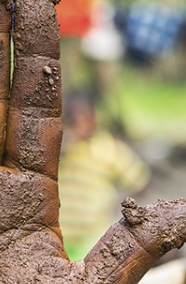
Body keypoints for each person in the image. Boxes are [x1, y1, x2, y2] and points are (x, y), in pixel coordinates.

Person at [57, 91, 150, 259]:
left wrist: (121, 204)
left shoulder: (108, 148)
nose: (79, 123)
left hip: (94, 237)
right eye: (73, 118)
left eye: (83, 117)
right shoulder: (59, 149)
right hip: (61, 237)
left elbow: (142, 182)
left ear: (94, 118)